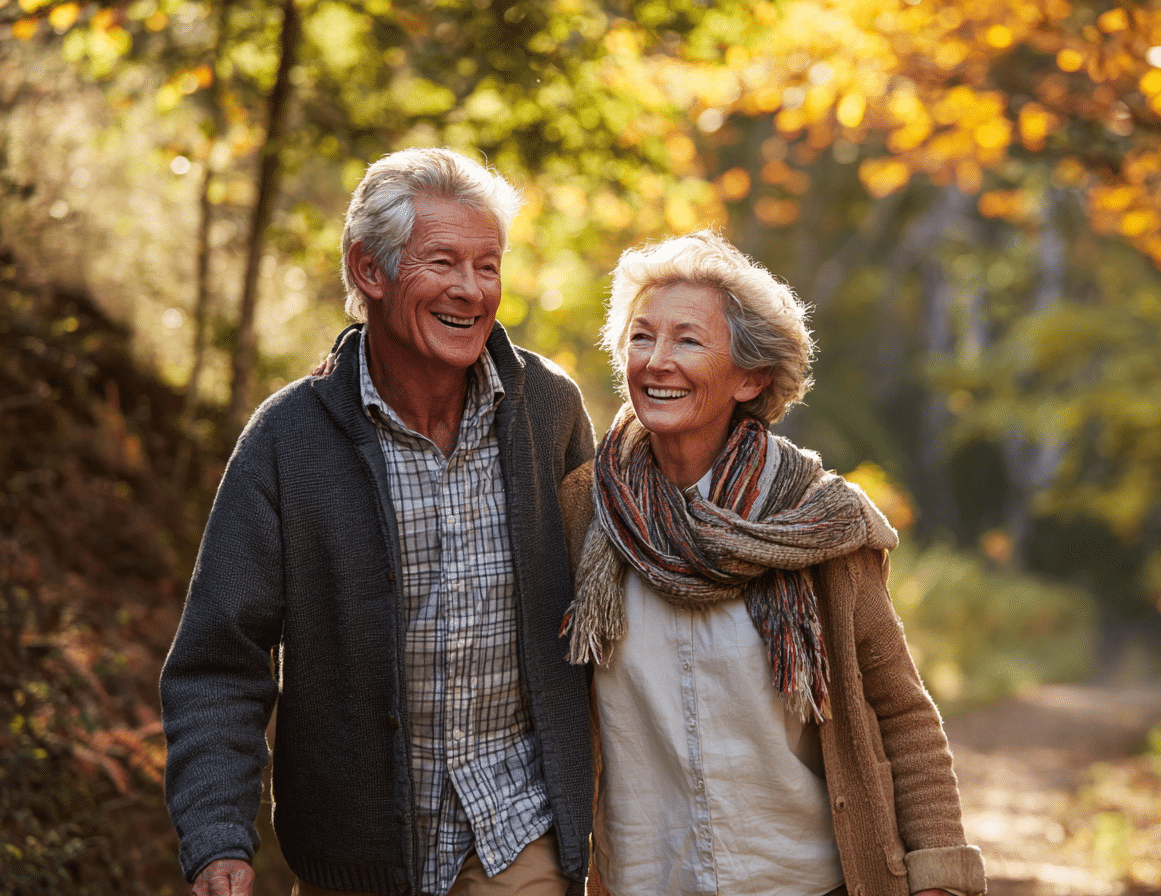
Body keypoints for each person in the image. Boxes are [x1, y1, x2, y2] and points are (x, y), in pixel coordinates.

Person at [160, 147, 596, 896]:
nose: (471, 290)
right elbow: (219, 662)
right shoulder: (289, 441)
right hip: (353, 860)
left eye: (488, 266)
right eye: (443, 262)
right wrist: (217, 838)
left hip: (520, 833)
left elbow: (606, 600)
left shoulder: (548, 409)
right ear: (370, 270)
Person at [557, 231, 986, 896]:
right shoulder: (584, 512)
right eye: (641, 337)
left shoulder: (817, 521)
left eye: (688, 341)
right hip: (646, 880)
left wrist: (937, 872)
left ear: (751, 377)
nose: (657, 361)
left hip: (807, 881)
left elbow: (900, 711)